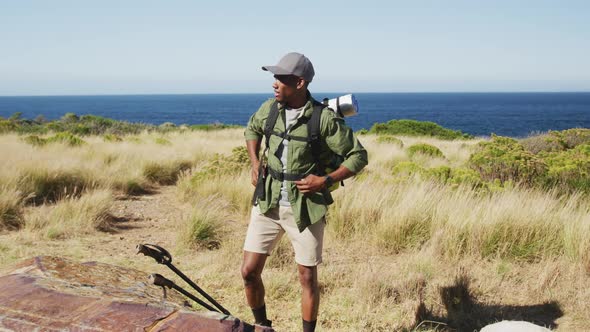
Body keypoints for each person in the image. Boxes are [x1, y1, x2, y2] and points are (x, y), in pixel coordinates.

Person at [241, 52, 368, 332]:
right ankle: (262, 326)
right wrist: (254, 162)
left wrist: (325, 180)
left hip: (305, 207)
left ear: (299, 83)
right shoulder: (269, 109)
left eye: (281, 78)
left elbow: (358, 156)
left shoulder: (323, 119)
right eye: (274, 77)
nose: (274, 83)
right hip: (267, 201)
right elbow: (252, 129)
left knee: (306, 278)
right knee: (249, 272)